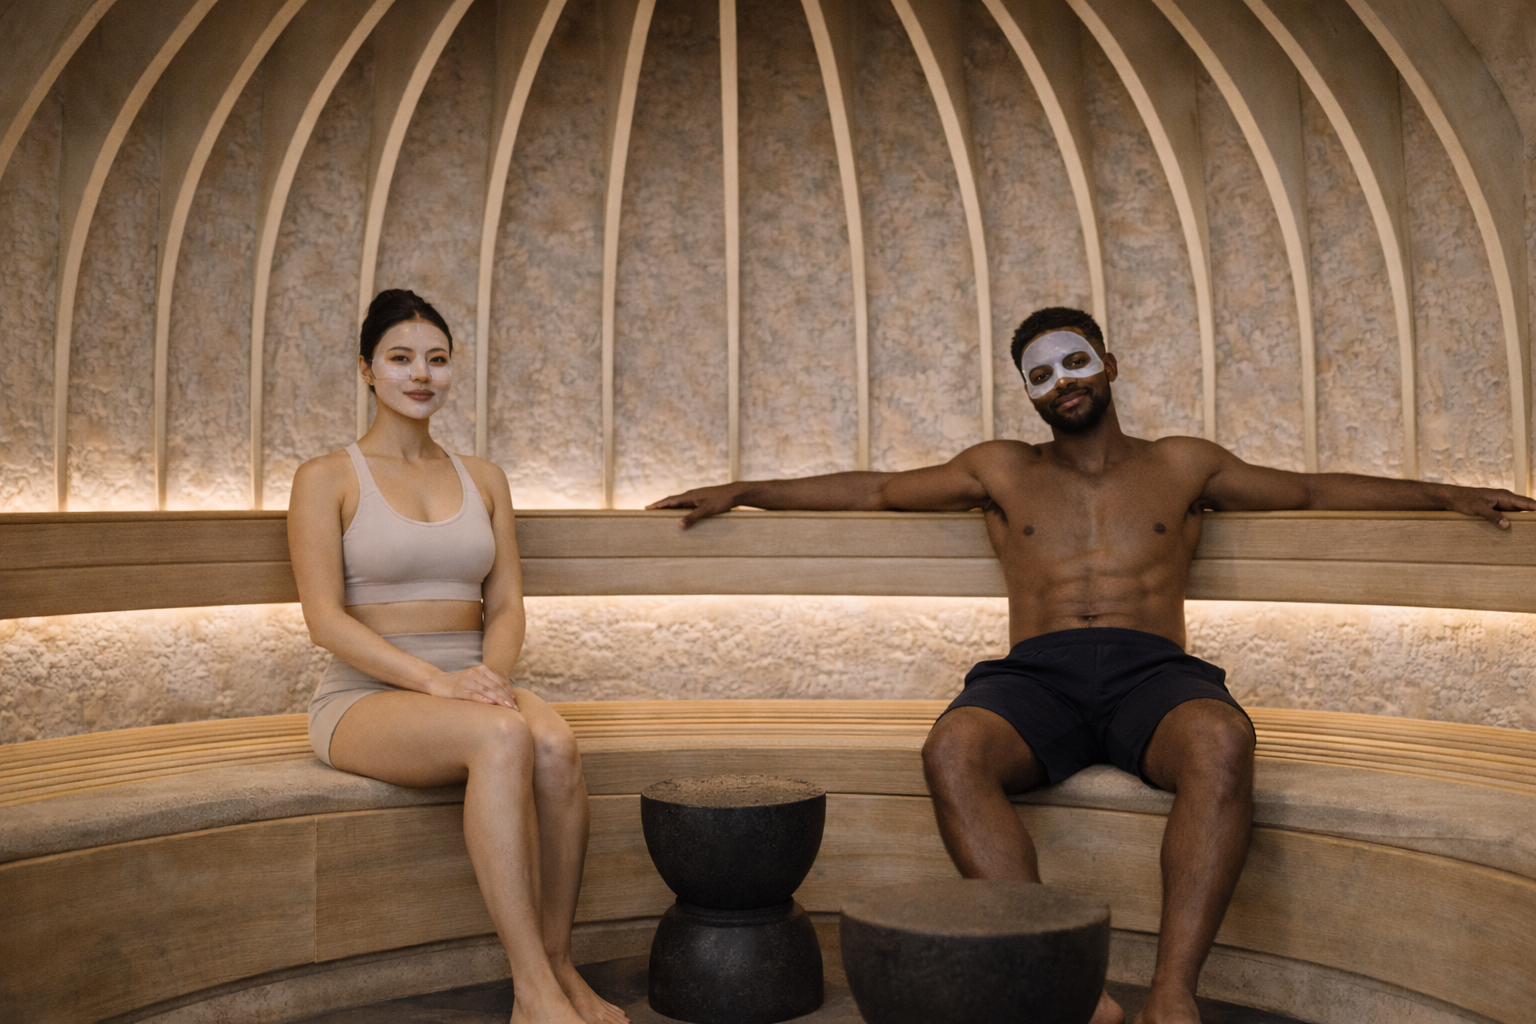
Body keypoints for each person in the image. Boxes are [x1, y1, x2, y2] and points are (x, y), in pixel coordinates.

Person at [648, 306, 1534, 1024]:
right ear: (1027, 394)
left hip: (1155, 674)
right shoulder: (999, 468)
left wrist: (1444, 492)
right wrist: (746, 487)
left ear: (1109, 364)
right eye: (1039, 375)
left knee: (1222, 741)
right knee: (952, 750)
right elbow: (875, 488)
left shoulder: (1185, 462)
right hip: (1036, 677)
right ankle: (1066, 991)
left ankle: (1171, 996)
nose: (1060, 384)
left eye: (1073, 363)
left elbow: (1306, 489)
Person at [289, 289, 628, 1024]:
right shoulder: (327, 478)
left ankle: (559, 964)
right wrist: (435, 683)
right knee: (504, 735)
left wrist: (486, 678)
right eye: (401, 358)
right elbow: (323, 620)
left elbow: (505, 606)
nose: (422, 375)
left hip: (468, 682)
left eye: (437, 360)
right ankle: (531, 990)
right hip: (364, 695)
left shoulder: (485, 478)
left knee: (555, 744)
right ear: (366, 371)